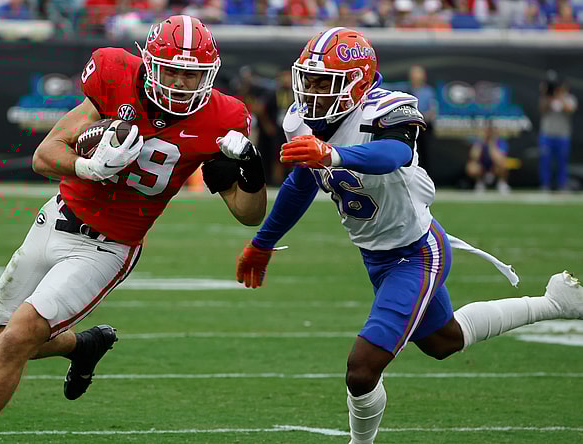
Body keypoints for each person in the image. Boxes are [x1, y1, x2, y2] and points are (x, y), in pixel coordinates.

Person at [0, 15, 266, 444]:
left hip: (108, 247)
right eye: (171, 70)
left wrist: (251, 169)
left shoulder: (221, 118)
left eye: (191, 75)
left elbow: (248, 214)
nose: (178, 83)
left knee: (14, 343)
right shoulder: (114, 74)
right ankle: (81, 346)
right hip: (57, 217)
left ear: (209, 75)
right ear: (148, 63)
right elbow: (44, 156)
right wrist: (88, 167)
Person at [234, 27, 583, 444]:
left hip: (415, 252)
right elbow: (302, 184)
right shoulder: (302, 121)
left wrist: (332, 153)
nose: (311, 91)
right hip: (376, 255)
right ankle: (554, 304)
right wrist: (263, 243)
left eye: (323, 82)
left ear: (358, 83)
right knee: (443, 341)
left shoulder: (387, 108)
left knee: (362, 368)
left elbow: (392, 155)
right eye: (307, 80)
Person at [538, 70, 577, 192]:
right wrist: (547, 94)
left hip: (562, 135)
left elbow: (569, 109)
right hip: (547, 134)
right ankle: (545, 185)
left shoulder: (570, 98)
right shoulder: (546, 98)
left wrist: (560, 95)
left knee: (562, 162)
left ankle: (562, 185)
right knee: (545, 161)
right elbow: (542, 109)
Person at [465, 120, 510, 194]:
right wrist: (480, 142)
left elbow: (499, 159)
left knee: (503, 163)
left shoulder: (500, 142)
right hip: (483, 168)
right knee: (472, 167)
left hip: (494, 168)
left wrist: (491, 144)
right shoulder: (479, 141)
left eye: (490, 131)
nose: (488, 133)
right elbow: (474, 157)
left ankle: (502, 184)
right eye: (486, 130)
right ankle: (480, 183)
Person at [407, 65, 437, 172]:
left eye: (418, 73)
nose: (415, 76)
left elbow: (432, 111)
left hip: (424, 127)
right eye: (413, 73)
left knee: (425, 153)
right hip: (409, 127)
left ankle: (426, 176)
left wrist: (420, 117)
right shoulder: (405, 89)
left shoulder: (429, 92)